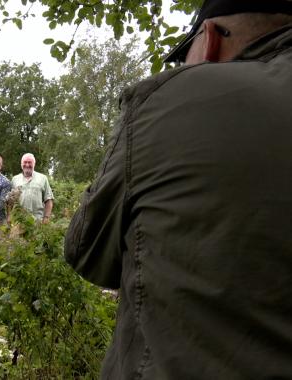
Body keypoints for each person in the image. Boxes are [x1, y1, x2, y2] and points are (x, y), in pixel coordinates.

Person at [64, 1, 292, 378]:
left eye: (184, 55)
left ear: (210, 38)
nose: (183, 67)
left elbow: (85, 249)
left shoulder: (169, 100)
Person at [10, 153, 53, 222]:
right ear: (21, 164)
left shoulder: (43, 178)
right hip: (19, 221)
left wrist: (46, 217)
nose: (27, 165)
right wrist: (10, 218)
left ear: (34, 164)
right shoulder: (15, 179)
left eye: (30, 162)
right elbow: (10, 202)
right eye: (25, 162)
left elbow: (48, 199)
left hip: (38, 221)